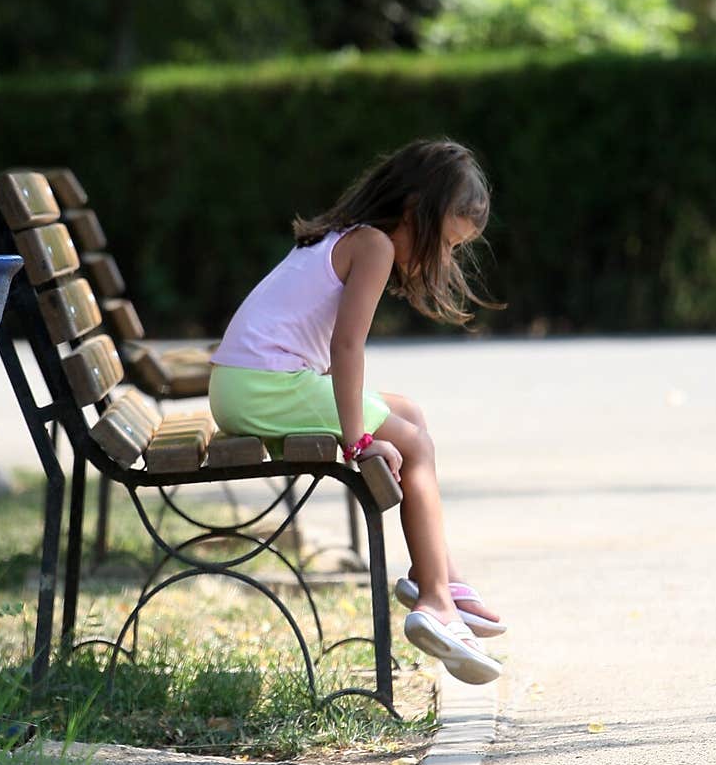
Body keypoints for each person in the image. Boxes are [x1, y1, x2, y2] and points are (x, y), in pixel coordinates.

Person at [209, 138, 506, 686]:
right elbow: (347, 349)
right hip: (263, 388)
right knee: (415, 444)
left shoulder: (344, 236)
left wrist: (365, 425)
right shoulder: (373, 246)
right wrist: (359, 441)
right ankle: (438, 601)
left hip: (245, 384)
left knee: (409, 412)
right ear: (417, 211)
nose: (445, 259)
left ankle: (432, 571)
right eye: (445, 242)